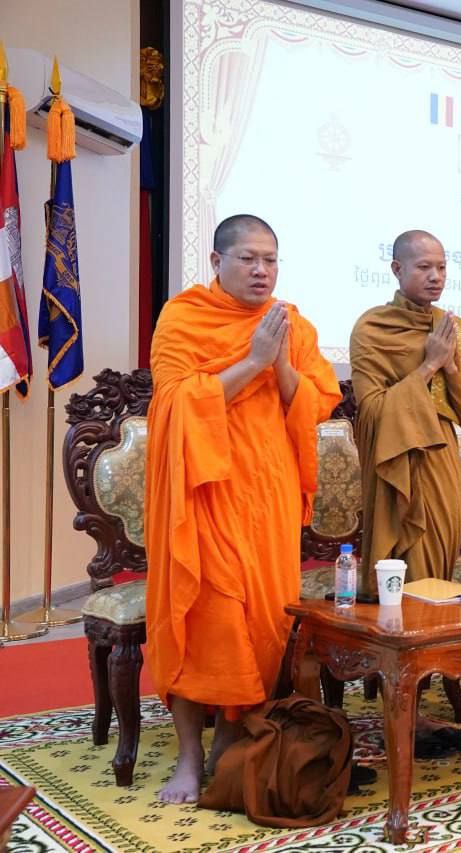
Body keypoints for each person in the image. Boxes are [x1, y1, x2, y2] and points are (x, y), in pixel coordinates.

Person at [145, 214, 341, 803]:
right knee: (204, 618)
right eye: (248, 259)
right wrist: (253, 360)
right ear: (217, 261)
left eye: (270, 260)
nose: (262, 271)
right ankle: (187, 756)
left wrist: (278, 363)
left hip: (268, 492)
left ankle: (229, 742)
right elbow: (176, 404)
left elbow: (317, 403)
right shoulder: (183, 318)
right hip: (203, 493)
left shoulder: (290, 323)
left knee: (260, 623)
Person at [349, 230, 461, 585]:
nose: (436, 276)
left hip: (440, 459)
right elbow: (372, 410)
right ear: (397, 269)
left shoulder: (457, 331)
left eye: (442, 267)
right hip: (395, 459)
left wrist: (450, 368)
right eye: (424, 267)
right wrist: (428, 366)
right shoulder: (373, 328)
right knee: (400, 572)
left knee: (436, 565)